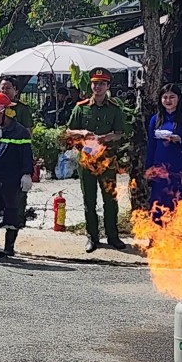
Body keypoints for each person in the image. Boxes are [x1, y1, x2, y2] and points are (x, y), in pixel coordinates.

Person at [66, 67, 127, 252]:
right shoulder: (81, 107)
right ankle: (92, 236)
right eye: (95, 83)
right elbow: (68, 131)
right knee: (89, 200)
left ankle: (113, 236)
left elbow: (120, 133)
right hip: (86, 160)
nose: (98, 87)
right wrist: (82, 132)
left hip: (107, 161)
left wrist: (107, 137)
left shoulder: (115, 109)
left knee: (110, 199)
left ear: (108, 86)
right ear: (91, 85)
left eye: (102, 84)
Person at [0, 92, 33, 258]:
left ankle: (9, 247)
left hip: (12, 179)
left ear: (6, 112)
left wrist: (27, 174)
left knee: (12, 212)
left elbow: (26, 155)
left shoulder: (20, 132)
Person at [145, 84, 182, 215]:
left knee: (179, 199)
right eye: (165, 97)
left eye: (172, 97)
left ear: (179, 99)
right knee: (159, 199)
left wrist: (179, 141)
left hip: (178, 166)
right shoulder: (155, 119)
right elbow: (151, 145)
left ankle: (180, 232)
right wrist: (148, 167)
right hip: (159, 166)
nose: (168, 101)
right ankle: (158, 231)